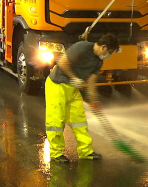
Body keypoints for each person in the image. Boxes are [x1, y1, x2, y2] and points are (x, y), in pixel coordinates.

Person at [45, 33, 120, 163]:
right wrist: (73, 78)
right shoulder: (82, 47)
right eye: (110, 52)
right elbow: (62, 62)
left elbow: (91, 79)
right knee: (56, 121)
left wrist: (93, 99)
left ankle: (85, 151)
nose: (109, 55)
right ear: (103, 47)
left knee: (79, 121)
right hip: (57, 85)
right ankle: (56, 153)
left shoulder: (98, 61)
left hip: (73, 89)